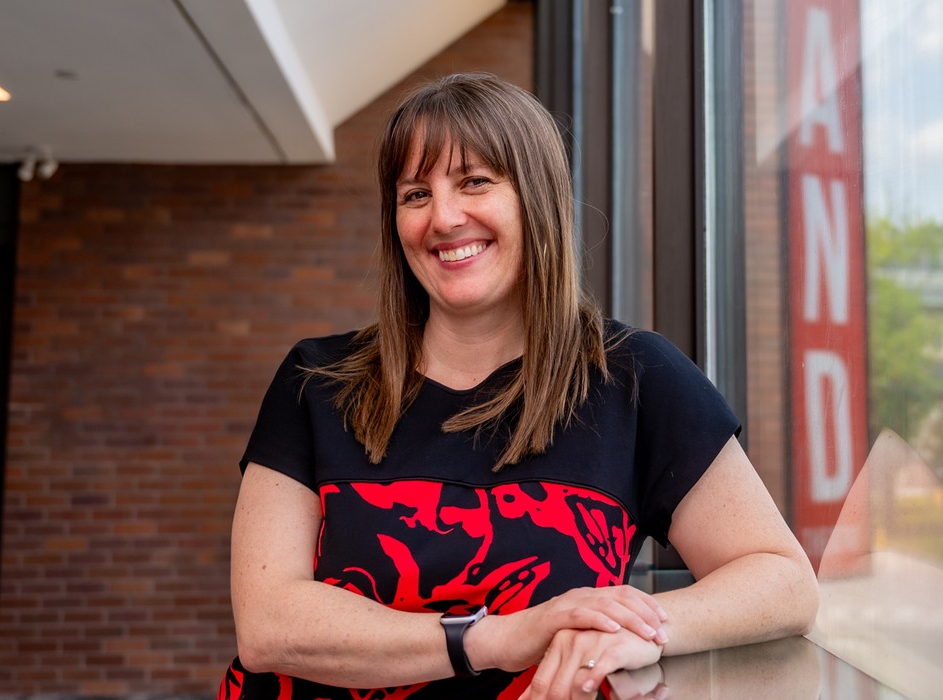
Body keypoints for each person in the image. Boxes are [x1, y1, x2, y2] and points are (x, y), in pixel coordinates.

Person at [219, 72, 818, 700]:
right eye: (415, 193)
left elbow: (782, 580)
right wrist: (497, 637)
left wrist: (639, 628)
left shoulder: (634, 378)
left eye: (474, 182)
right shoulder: (316, 383)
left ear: (535, 197)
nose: (444, 217)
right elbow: (266, 625)